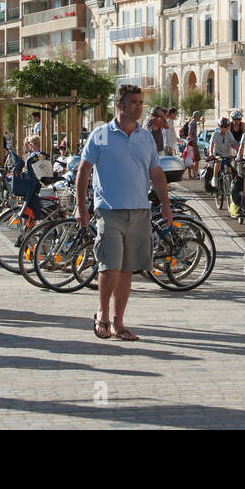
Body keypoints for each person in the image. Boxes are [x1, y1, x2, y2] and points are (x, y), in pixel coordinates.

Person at [75, 84, 172, 341]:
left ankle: (119, 323)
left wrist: (165, 204)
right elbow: (84, 170)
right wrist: (81, 206)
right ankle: (102, 315)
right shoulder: (101, 135)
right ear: (119, 105)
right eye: (133, 103)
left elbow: (156, 173)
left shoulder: (145, 137)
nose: (139, 107)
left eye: (141, 103)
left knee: (127, 268)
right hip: (109, 210)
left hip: (139, 211)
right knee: (109, 265)